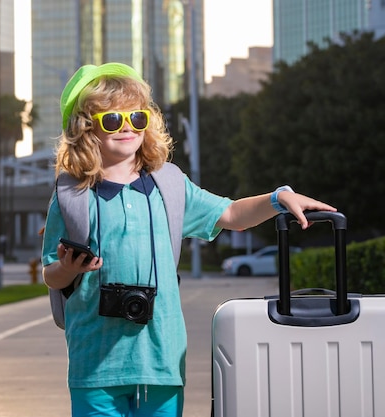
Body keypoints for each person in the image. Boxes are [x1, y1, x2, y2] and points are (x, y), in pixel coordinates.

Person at [41, 62, 337, 417]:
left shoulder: (170, 185)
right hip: (95, 365)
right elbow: (50, 273)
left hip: (162, 361)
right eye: (112, 120)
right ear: (85, 128)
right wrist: (67, 269)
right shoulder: (70, 195)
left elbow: (231, 214)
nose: (128, 128)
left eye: (137, 118)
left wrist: (278, 199)